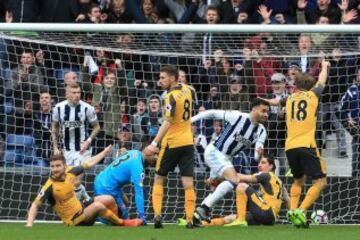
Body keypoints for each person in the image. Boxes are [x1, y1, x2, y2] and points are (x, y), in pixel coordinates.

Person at [263, 60, 330, 227]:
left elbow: (273, 102)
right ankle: (301, 210)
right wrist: (325, 66)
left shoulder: (289, 98)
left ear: (296, 85)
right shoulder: (313, 95)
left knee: (298, 180)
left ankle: (292, 210)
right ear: (310, 86)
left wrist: (260, 99)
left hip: (290, 146)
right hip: (307, 144)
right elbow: (322, 79)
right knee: (321, 182)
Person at [191, 98, 269, 224]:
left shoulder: (261, 131)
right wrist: (190, 120)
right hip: (215, 152)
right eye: (263, 111)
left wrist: (259, 155)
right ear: (254, 109)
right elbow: (212, 113)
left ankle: (195, 217)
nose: (266, 114)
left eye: (267, 112)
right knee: (234, 180)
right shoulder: (238, 117)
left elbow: (255, 157)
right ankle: (203, 209)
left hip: (226, 159)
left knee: (214, 185)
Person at [26, 145, 142, 227]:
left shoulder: (70, 172)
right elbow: (35, 205)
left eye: (58, 166)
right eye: (52, 166)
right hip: (73, 221)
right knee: (98, 206)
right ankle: (123, 223)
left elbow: (89, 163)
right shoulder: (49, 186)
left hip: (81, 209)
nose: (55, 169)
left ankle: (113, 220)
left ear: (65, 166)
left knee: (109, 198)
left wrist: (104, 152)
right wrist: (29, 225)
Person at [144, 65, 196, 228]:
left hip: (172, 143)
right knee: (188, 181)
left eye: (163, 78)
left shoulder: (170, 97)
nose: (160, 81)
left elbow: (167, 122)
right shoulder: (187, 89)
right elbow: (192, 91)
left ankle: (158, 216)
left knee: (159, 178)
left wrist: (154, 143)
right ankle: (189, 219)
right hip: (188, 142)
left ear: (172, 78)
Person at [178, 154, 289, 227]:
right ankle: (197, 223)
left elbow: (241, 178)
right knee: (230, 218)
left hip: (266, 212)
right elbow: (288, 200)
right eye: (260, 162)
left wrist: (219, 178)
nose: (259, 165)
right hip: (270, 219)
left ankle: (240, 219)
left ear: (271, 166)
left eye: (263, 162)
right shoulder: (279, 182)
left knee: (241, 186)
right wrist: (292, 215)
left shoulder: (266, 175)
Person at [94, 148, 157, 225]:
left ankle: (95, 211)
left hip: (102, 180)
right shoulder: (138, 167)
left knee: (126, 201)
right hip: (107, 188)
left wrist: (122, 194)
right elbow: (139, 193)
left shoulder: (135, 152)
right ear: (147, 153)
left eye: (157, 154)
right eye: (154, 154)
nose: (156, 157)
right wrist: (142, 217)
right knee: (123, 218)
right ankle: (92, 215)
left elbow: (120, 171)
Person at [51, 82, 101, 166]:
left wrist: (88, 142)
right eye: (74, 93)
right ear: (67, 94)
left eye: (79, 92)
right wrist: (55, 148)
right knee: (67, 177)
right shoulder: (58, 108)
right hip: (66, 150)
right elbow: (54, 128)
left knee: (77, 176)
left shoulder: (88, 108)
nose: (77, 95)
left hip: (83, 150)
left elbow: (97, 127)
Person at [339, 68, 360, 177]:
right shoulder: (351, 91)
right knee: (357, 161)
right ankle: (355, 184)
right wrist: (348, 119)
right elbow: (341, 110)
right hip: (358, 132)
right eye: (359, 75)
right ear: (357, 76)